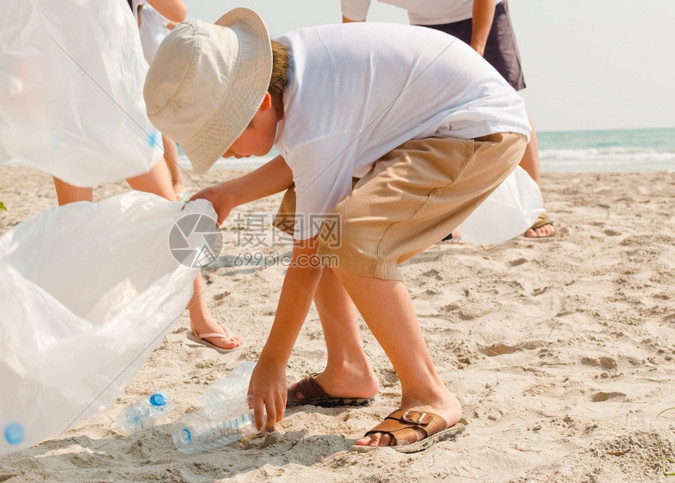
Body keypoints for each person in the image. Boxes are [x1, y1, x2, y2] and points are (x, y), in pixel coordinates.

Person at [143, 8, 530, 450]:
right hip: (418, 129)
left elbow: (309, 248)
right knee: (307, 212)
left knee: (348, 236)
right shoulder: (284, 71)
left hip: (476, 129)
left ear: (260, 104)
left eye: (224, 139)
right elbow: (303, 158)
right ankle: (346, 366)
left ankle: (430, 393)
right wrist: (228, 194)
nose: (226, 153)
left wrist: (272, 361)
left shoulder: (312, 107)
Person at [53, 0, 243, 353]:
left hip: (85, 107)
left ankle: (200, 319)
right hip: (92, 106)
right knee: (167, 219)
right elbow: (178, 11)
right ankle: (200, 320)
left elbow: (175, 14)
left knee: (81, 224)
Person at [341, 0, 555, 238]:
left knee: (507, 103)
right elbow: (352, 39)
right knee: (436, 114)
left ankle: (536, 210)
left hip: (481, 12)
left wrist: (476, 50)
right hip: (427, 28)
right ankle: (443, 219)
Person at [130, 0, 187, 199]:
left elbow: (180, 21)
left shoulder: (152, 14)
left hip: (160, 77)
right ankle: (167, 184)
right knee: (146, 132)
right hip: (135, 80)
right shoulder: (119, 13)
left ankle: (177, 181)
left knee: (160, 129)